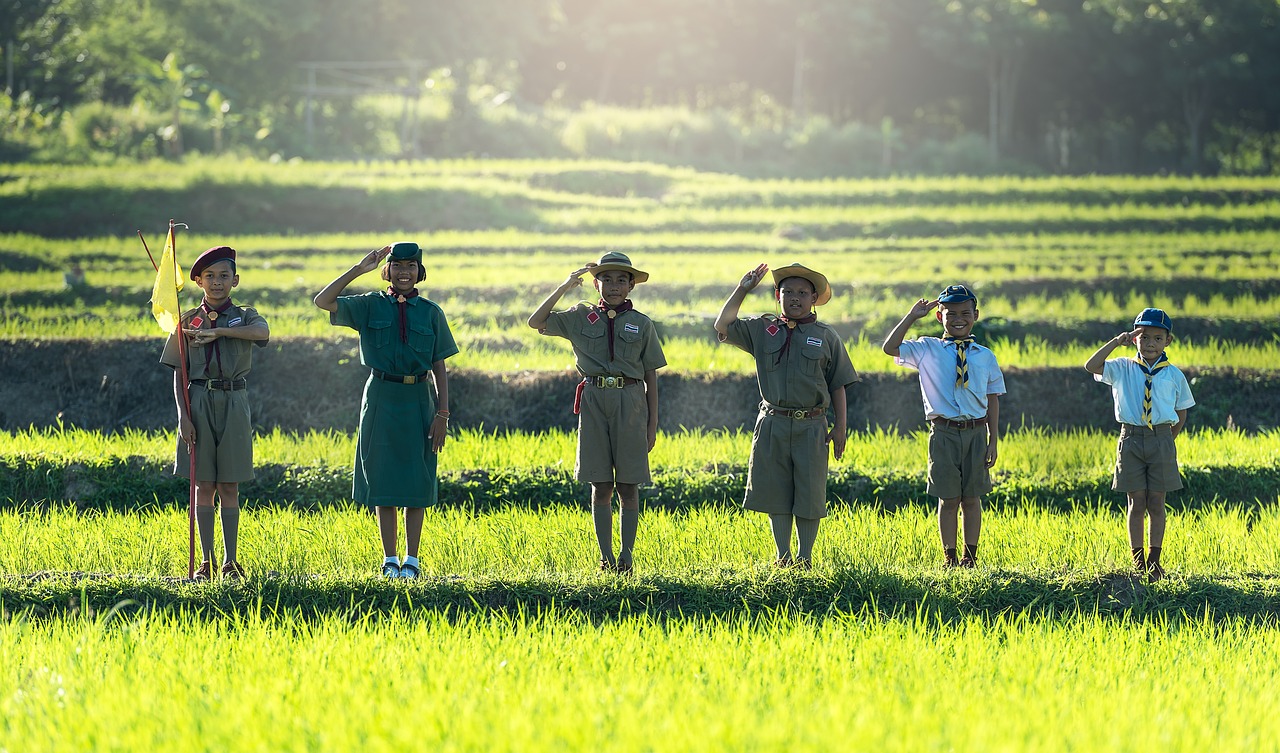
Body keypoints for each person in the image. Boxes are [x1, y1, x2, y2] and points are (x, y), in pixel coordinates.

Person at [314, 242, 458, 579]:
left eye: (411, 266)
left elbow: (439, 365)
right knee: (384, 477)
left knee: (418, 479)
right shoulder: (369, 306)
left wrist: (443, 413)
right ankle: (389, 560)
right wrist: (358, 269)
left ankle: (412, 560)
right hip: (380, 396)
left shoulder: (431, 312)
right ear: (387, 270)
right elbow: (323, 301)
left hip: (419, 398)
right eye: (397, 265)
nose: (404, 272)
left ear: (420, 271)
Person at [528, 251, 666, 574]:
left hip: (631, 402)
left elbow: (651, 377)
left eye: (621, 280)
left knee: (628, 486)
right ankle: (605, 558)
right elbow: (536, 322)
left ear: (631, 285)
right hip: (592, 400)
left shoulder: (642, 324)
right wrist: (565, 285)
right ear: (595, 283)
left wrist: (652, 423)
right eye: (606, 279)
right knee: (600, 485)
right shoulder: (580, 316)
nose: (613, 286)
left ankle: (626, 557)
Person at [713, 263, 858, 569]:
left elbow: (838, 383)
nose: (795, 297)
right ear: (777, 296)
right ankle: (783, 556)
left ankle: (805, 558)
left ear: (814, 298)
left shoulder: (826, 336)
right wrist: (743, 288)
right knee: (775, 491)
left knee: (809, 493)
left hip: (812, 425)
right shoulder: (763, 330)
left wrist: (841, 426)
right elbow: (723, 325)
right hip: (773, 422)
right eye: (787, 292)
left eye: (802, 293)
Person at [160, 246, 270, 581]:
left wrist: (219, 331)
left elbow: (262, 334)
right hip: (198, 401)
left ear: (235, 280)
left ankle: (230, 561)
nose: (217, 282)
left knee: (230, 485)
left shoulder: (246, 316)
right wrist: (183, 416)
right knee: (203, 484)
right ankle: (206, 562)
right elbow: (178, 372)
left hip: (234, 401)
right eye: (210, 276)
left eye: (224, 276)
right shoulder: (187, 319)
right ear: (198, 281)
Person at [882, 285, 1004, 569]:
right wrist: (912, 316)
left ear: (975, 315)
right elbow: (890, 348)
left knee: (972, 499)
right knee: (948, 499)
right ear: (940, 316)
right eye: (951, 314)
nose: (958, 319)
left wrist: (993, 439)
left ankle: (970, 558)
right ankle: (949, 557)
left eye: (965, 313)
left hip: (975, 432)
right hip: (944, 433)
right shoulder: (927, 349)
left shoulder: (984, 356)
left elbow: (993, 399)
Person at [1085, 308, 1194, 582]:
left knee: (1157, 501)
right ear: (1135, 338)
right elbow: (1091, 366)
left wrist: (1169, 438)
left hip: (1161, 439)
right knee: (1135, 501)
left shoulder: (1174, 375)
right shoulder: (1122, 367)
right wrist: (1116, 341)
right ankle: (1138, 561)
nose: (1150, 344)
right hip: (1131, 438)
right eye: (1144, 337)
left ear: (1168, 341)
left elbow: (1182, 411)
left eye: (1158, 338)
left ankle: (1154, 561)